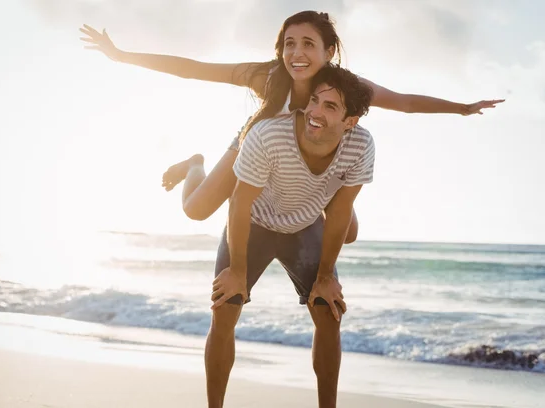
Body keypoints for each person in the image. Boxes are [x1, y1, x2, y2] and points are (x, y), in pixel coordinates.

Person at [79, 10, 504, 244]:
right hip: (254, 147)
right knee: (196, 210)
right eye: (289, 43)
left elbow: (406, 103)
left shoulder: (344, 88)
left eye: (308, 45)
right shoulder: (264, 76)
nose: (297, 53)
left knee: (349, 233)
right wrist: (122, 56)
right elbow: (193, 69)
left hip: (312, 161)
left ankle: (323, 192)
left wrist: (463, 108)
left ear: (328, 51)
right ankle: (195, 163)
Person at [208, 64, 373, 408]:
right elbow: (239, 202)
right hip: (254, 222)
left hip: (304, 224)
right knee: (226, 306)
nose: (315, 112)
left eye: (331, 107)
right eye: (314, 101)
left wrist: (326, 276)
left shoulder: (361, 144)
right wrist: (237, 270)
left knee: (328, 310)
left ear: (350, 120)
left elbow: (340, 212)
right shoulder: (268, 134)